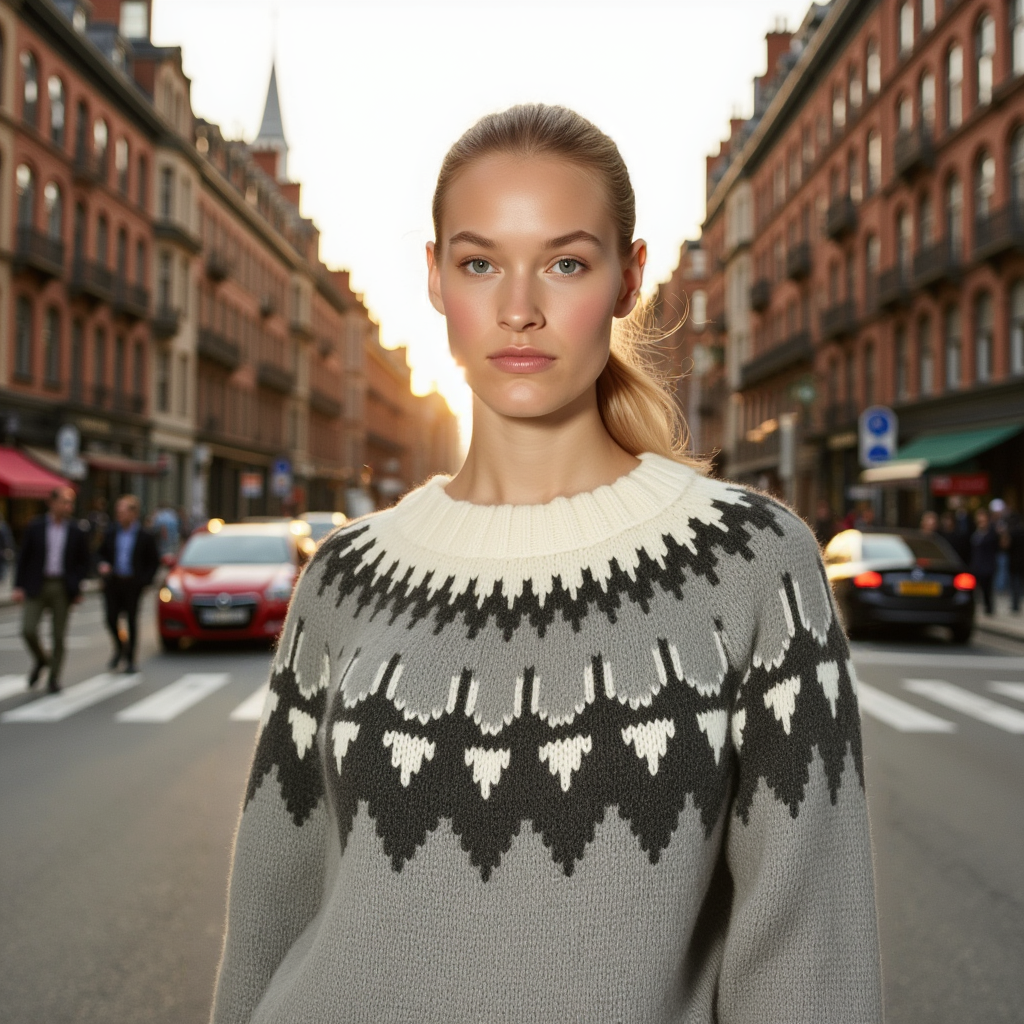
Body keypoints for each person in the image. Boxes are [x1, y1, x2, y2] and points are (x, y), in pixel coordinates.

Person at [211, 105, 882, 1024]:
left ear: (626, 279)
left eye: (565, 262)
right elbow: (267, 921)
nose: (518, 307)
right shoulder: (343, 576)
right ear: (437, 280)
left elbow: (813, 962)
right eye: (479, 262)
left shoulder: (753, 565)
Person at [12, 485, 91, 692]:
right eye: (64, 502)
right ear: (52, 503)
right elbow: (24, 557)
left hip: (62, 586)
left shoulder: (76, 530)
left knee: (58, 635)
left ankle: (54, 678)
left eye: (70, 503)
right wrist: (18, 586)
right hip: (37, 583)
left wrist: (77, 586)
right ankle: (41, 660)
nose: (68, 507)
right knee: (27, 629)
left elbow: (84, 561)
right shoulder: (36, 526)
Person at [97, 495, 159, 673]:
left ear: (134, 514)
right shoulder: (111, 532)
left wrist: (145, 582)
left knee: (131, 620)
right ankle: (120, 646)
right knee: (110, 619)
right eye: (118, 512)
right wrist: (102, 565)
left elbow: (153, 562)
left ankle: (130, 658)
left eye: (123, 512)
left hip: (133, 583)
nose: (119, 515)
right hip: (113, 582)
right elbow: (100, 553)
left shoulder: (145, 535)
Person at [969, 508, 1000, 616]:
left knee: (987, 589)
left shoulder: (991, 534)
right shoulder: (975, 533)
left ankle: (989, 608)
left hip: (988, 565)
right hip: (976, 565)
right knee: (976, 589)